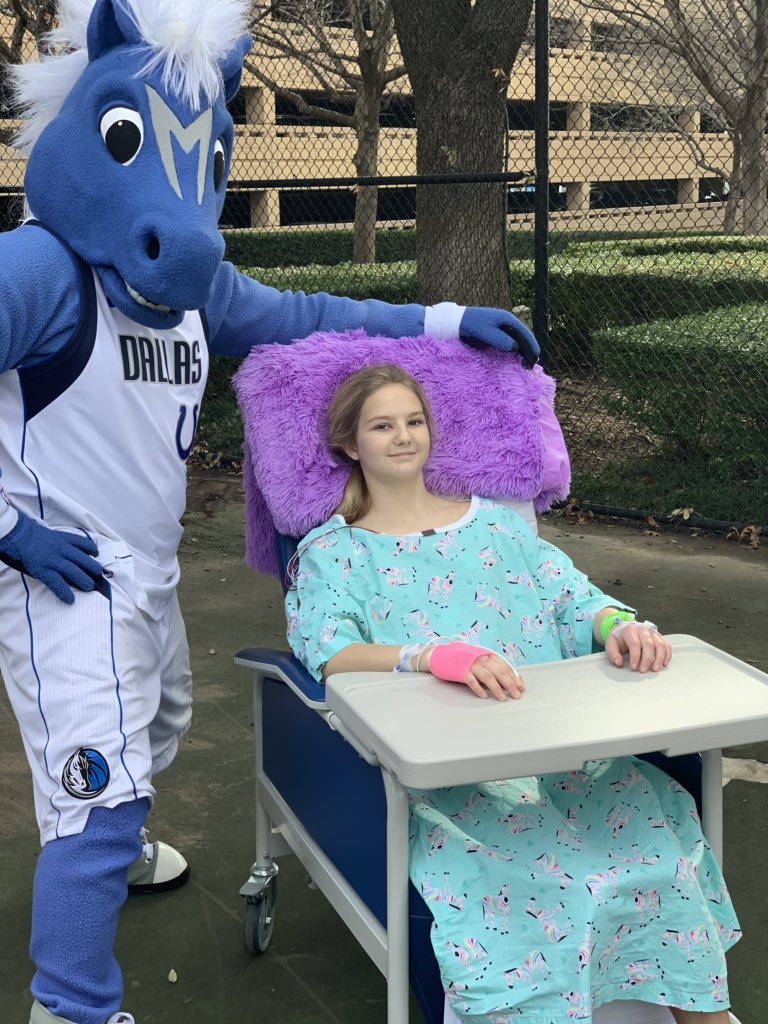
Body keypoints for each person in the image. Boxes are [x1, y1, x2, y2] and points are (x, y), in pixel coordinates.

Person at [0, 3, 539, 1024]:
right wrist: (8, 532)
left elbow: (309, 316)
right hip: (59, 565)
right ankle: (69, 1003)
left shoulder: (188, 290)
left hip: (144, 565)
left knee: (157, 726)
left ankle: (110, 843)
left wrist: (444, 320)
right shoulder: (41, 269)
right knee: (99, 779)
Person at [285, 363, 742, 1024]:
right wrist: (425, 656)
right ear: (352, 444)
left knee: (657, 846)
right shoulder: (335, 553)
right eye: (382, 426)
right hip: (454, 785)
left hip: (564, 762)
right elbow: (329, 652)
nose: (403, 437)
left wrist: (620, 624)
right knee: (537, 881)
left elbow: (572, 599)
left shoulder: (498, 530)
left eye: (414, 421)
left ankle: (701, 1013)